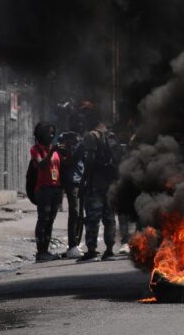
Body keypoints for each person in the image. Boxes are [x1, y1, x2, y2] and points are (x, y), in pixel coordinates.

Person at [75, 108, 120, 261]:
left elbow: (90, 160)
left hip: (96, 183)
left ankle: (92, 251)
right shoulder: (110, 135)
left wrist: (83, 181)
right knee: (109, 217)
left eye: (85, 120)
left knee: (93, 218)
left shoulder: (91, 136)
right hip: (111, 183)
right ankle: (109, 250)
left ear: (90, 121)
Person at [30, 121, 63, 262]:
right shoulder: (36, 149)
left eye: (52, 132)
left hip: (56, 189)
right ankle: (40, 252)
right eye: (48, 132)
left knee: (50, 220)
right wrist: (51, 152)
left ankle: (46, 251)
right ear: (41, 134)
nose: (51, 135)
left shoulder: (54, 149)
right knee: (43, 219)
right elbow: (41, 165)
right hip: (43, 189)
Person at [56, 128, 84, 259]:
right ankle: (72, 245)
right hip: (70, 181)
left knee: (79, 214)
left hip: (80, 181)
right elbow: (66, 161)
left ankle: (76, 244)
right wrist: (67, 147)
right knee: (75, 212)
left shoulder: (80, 143)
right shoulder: (62, 144)